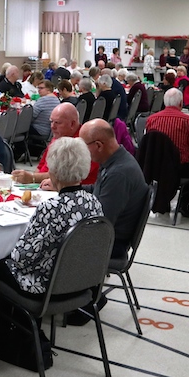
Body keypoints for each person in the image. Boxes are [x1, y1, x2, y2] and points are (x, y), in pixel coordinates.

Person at [0, 137, 104, 326]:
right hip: (81, 281)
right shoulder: (94, 202)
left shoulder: (51, 207)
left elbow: (21, 258)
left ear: (53, 171)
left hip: (45, 285)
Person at [65, 118, 149, 322]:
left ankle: (82, 299)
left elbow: (100, 224)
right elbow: (96, 190)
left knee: (50, 242)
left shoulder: (119, 173)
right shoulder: (115, 160)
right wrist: (68, 190)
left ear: (99, 145)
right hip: (111, 234)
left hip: (111, 243)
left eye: (84, 148)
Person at [145, 88, 189, 218]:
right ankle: (184, 203)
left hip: (156, 168)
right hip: (179, 168)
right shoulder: (188, 120)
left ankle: (165, 201)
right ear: (181, 103)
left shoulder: (151, 119)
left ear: (165, 103)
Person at [12, 103, 97, 186]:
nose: (52, 126)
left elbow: (65, 177)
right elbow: (41, 166)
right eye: (51, 121)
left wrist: (32, 178)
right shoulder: (59, 136)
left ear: (72, 124)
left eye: (57, 122)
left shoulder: (86, 142)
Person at [30, 80, 60, 144]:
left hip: (40, 130)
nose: (39, 90)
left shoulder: (42, 100)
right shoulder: (57, 100)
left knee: (19, 128)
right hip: (50, 131)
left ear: (48, 89)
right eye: (38, 88)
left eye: (41, 88)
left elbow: (31, 116)